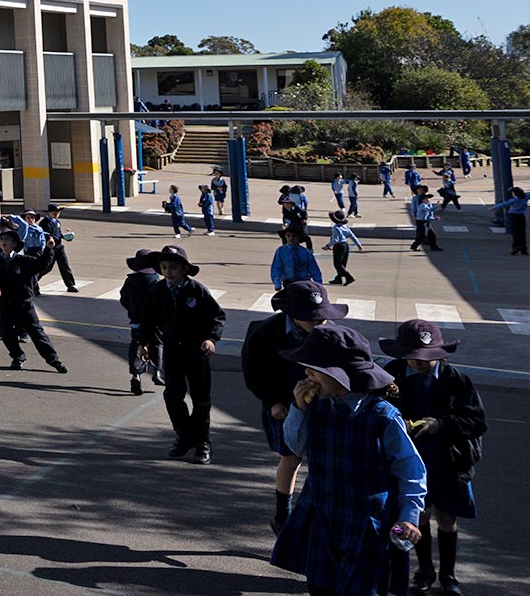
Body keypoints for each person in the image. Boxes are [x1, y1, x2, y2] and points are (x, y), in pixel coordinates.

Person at [270, 325, 426, 596]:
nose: (306, 374)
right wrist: (298, 409)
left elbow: (411, 471)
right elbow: (296, 447)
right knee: (320, 588)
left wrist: (409, 517)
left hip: (365, 524)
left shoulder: (383, 417)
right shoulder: (315, 405)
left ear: (339, 375)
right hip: (322, 514)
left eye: (313, 368)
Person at [379, 319, 487, 596]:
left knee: (447, 517)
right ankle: (424, 570)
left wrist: (440, 424)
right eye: (413, 358)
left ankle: (448, 575)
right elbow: (377, 408)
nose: (419, 363)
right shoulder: (391, 375)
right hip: (411, 460)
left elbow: (476, 420)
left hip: (449, 460)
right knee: (419, 516)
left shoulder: (456, 379)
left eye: (426, 358)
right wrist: (398, 421)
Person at [241, 280, 348, 535]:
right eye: (311, 317)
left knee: (325, 459)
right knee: (291, 457)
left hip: (323, 404)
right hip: (285, 406)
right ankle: (283, 515)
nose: (319, 322)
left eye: (322, 316)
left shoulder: (330, 333)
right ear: (292, 313)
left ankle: (322, 512)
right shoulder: (266, 333)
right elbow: (253, 372)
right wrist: (271, 401)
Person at [134, 246, 226, 465]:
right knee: (173, 395)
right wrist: (143, 343)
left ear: (184, 269)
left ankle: (202, 442)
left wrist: (210, 338)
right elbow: (147, 319)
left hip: (197, 350)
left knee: (201, 399)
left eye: (173, 267)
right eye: (164, 268)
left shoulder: (197, 290)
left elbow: (217, 316)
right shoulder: (158, 290)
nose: (168, 272)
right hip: (172, 349)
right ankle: (184, 436)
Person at [0, 230, 65, 372]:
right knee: (7, 333)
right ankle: (18, 357)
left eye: (7, 239)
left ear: (14, 243)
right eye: (1, 239)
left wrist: (48, 249)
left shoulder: (23, 261)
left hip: (23, 304)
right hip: (5, 304)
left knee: (37, 333)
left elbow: (41, 264)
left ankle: (54, 360)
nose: (3, 242)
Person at [119, 249, 166, 396]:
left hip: (136, 322)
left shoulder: (130, 281)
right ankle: (157, 371)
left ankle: (136, 375)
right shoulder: (155, 281)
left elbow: (124, 299)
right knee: (157, 344)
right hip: (155, 322)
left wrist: (133, 311)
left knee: (138, 345)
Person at [270, 226, 324, 291]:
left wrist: (319, 286)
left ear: (299, 237)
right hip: (288, 281)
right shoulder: (281, 251)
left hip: (304, 281)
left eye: (294, 236)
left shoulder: (306, 252)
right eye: (288, 236)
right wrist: (277, 283)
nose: (291, 238)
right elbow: (276, 268)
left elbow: (314, 269)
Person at [41, 205, 78, 292]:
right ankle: (33, 281)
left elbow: (58, 233)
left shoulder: (57, 222)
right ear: (48, 212)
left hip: (59, 247)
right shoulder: (44, 222)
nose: (56, 213)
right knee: (47, 267)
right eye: (53, 212)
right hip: (50, 248)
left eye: (57, 212)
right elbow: (44, 234)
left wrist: (64, 236)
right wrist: (49, 238)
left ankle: (70, 285)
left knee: (64, 266)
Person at [323, 211, 364, 286]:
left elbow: (335, 240)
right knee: (342, 264)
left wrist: (328, 246)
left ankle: (349, 277)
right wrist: (358, 244)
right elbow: (352, 236)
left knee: (337, 264)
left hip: (339, 246)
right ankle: (338, 279)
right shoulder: (345, 227)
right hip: (346, 245)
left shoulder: (335, 228)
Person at [409, 186, 443, 252]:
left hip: (426, 219)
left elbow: (430, 209)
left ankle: (433, 246)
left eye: (422, 189)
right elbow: (415, 208)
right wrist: (414, 215)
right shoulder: (417, 200)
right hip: (421, 219)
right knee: (422, 234)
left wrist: (433, 218)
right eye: (419, 190)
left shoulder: (426, 199)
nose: (421, 191)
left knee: (430, 234)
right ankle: (414, 246)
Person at [504, 186, 528, 256]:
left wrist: (493, 208)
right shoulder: (525, 197)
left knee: (515, 232)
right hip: (521, 216)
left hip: (514, 216)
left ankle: (516, 246)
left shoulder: (514, 200)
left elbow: (503, 204)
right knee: (522, 232)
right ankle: (524, 248)